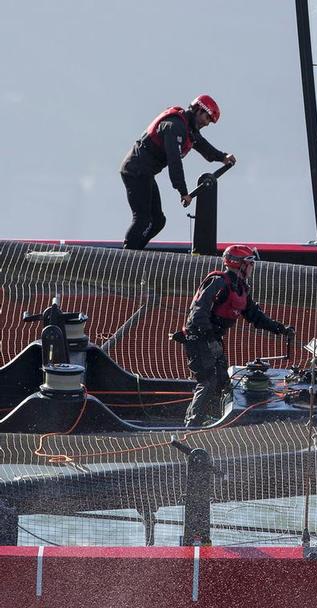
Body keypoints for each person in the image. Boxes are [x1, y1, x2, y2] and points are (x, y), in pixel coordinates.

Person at [181, 245, 293, 427]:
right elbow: (198, 314)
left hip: (213, 340)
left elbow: (255, 316)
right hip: (200, 339)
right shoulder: (219, 282)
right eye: (250, 263)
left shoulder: (241, 288)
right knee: (208, 381)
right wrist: (210, 340)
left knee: (223, 382)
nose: (252, 268)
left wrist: (281, 329)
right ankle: (191, 424)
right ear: (240, 264)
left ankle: (214, 419)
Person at [121, 95, 236, 250]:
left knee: (158, 221)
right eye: (207, 118)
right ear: (198, 110)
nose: (207, 123)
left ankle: (136, 251)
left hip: (145, 173)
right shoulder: (174, 126)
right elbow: (174, 162)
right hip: (136, 170)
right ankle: (126, 257)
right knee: (143, 220)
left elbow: (204, 147)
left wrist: (223, 157)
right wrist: (183, 192)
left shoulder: (189, 129)